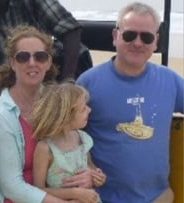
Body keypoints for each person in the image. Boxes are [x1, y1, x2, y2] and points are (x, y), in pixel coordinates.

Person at [76, 2, 184, 203]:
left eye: (146, 37)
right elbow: (69, 137)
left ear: (156, 41)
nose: (137, 42)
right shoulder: (88, 83)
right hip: (102, 198)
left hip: (157, 197)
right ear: (115, 36)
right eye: (129, 35)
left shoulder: (171, 81)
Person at [0, 24, 90, 203]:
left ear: (48, 62)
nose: (32, 63)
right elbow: (12, 187)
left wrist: (86, 175)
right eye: (23, 57)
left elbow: (72, 148)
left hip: (57, 191)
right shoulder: (0, 116)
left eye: (40, 56)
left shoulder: (55, 102)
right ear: (12, 62)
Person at [0, 0, 92, 112]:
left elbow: (69, 28)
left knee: (80, 55)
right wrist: (1, 90)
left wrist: (67, 80)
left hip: (41, 80)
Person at [30, 81, 106, 202]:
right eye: (83, 109)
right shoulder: (45, 148)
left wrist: (96, 176)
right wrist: (75, 193)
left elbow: (90, 166)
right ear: (66, 117)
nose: (89, 110)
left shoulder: (83, 138)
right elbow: (38, 191)